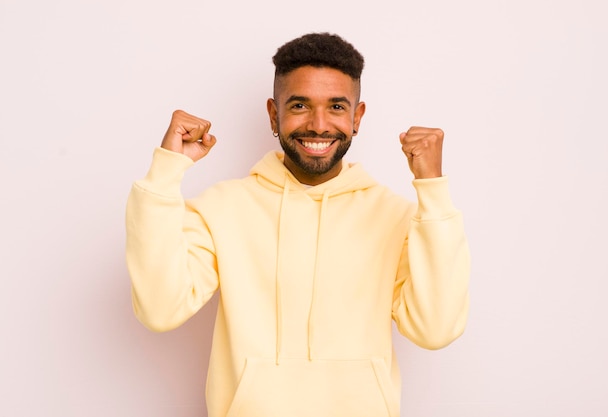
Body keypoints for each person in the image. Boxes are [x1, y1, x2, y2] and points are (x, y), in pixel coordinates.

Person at [126, 32, 470, 417]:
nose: (319, 125)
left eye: (337, 106)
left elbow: (435, 330)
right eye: (300, 105)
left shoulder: (397, 217)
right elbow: (159, 309)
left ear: (357, 118)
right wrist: (164, 174)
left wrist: (433, 189)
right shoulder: (223, 209)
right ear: (274, 115)